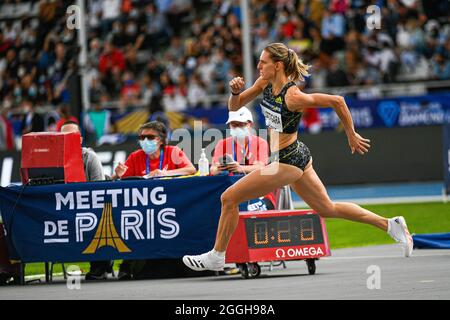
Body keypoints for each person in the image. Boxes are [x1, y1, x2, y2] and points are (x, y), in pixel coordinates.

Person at [182, 42, 413, 272]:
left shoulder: (293, 95)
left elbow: (337, 101)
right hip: (297, 155)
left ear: (278, 65)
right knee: (327, 208)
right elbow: (235, 106)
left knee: (228, 198)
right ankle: (390, 225)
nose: (259, 66)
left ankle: (217, 256)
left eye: (263, 62)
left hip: (287, 161)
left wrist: (351, 134)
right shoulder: (264, 83)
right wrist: (234, 92)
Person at [113, 120, 196, 280]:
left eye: (150, 137)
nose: (144, 141)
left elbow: (191, 169)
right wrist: (118, 174)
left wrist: (165, 174)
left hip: (172, 207)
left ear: (161, 139)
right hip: (144, 210)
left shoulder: (173, 152)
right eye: (141, 137)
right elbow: (122, 179)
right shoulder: (135, 156)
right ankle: (128, 263)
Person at [60, 121, 112, 280]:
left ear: (80, 139)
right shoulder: (54, 159)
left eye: (72, 136)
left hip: (89, 208)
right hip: (64, 208)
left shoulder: (90, 157)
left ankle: (101, 264)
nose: (67, 139)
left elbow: (99, 188)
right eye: (63, 136)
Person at [210, 106, 275, 211]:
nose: (237, 128)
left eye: (241, 124)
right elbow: (212, 169)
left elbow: (261, 167)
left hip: (257, 190)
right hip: (230, 189)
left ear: (250, 124)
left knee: (249, 209)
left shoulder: (260, 142)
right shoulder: (222, 143)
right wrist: (219, 168)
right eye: (234, 125)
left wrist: (239, 168)